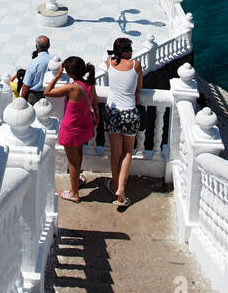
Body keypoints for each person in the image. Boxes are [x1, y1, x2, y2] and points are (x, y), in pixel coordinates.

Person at [44, 56, 98, 202]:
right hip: (83, 126)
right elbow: (95, 100)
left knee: (72, 162)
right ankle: (77, 181)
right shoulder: (89, 84)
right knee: (78, 155)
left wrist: (57, 76)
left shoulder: (71, 87)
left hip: (71, 129)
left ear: (71, 73)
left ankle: (74, 193)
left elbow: (47, 92)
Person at [103, 37, 142, 208]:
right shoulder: (136, 65)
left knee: (115, 152)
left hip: (112, 111)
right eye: (131, 51)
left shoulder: (109, 62)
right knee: (128, 152)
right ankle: (120, 188)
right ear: (126, 52)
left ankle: (113, 184)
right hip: (129, 112)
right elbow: (138, 88)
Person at [16, 35, 51, 104]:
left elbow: (26, 85)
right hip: (51, 95)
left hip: (34, 96)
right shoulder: (54, 60)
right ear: (49, 46)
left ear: (36, 46)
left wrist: (21, 99)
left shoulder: (34, 62)